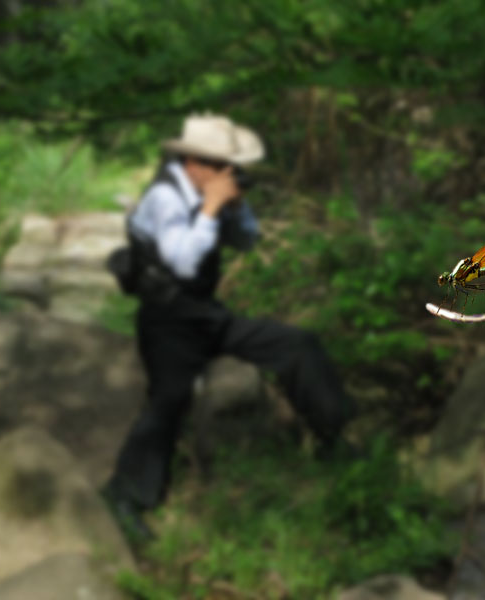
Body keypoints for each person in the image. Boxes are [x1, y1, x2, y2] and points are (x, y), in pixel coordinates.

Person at [102, 114, 355, 543]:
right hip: (167, 322)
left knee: (297, 345)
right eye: (225, 167)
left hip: (206, 314)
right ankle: (125, 496)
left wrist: (234, 209)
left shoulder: (208, 192)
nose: (231, 175)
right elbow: (181, 261)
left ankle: (334, 436)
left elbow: (247, 242)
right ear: (195, 163)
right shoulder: (165, 197)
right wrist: (211, 208)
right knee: (169, 400)